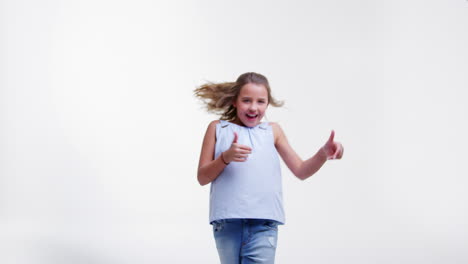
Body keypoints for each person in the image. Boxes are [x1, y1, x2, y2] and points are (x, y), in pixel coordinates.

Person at [194, 72, 344, 264]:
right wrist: (225, 157)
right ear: (234, 101)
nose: (253, 107)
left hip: (263, 224)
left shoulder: (272, 131)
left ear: (267, 104)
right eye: (246, 100)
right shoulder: (218, 128)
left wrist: (323, 154)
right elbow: (202, 177)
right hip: (227, 223)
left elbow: (301, 170)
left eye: (261, 102)